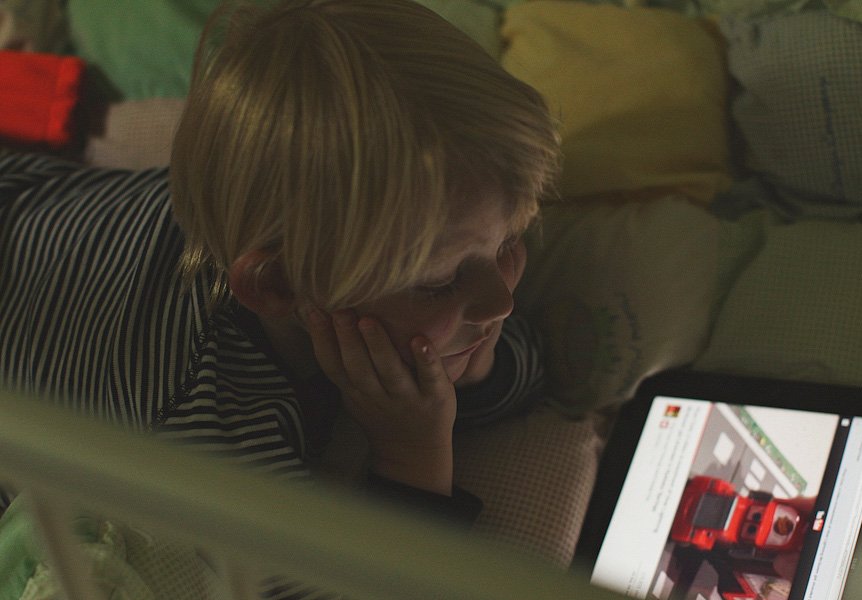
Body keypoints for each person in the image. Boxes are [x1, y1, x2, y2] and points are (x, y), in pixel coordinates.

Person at [0, 0, 559, 537]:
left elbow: (529, 368)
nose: (500, 302)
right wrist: (414, 456)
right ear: (278, 285)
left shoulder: (262, 205)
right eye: (440, 284)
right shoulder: (206, 432)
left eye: (507, 241)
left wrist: (480, 368)